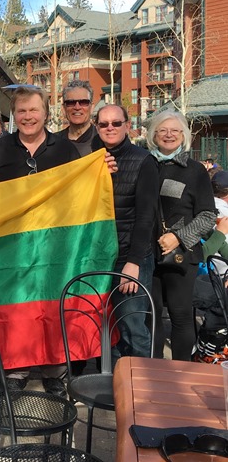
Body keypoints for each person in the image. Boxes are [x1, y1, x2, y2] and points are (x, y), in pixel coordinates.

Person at [0, 85, 78, 397]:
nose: (28, 116)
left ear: (46, 114)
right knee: (17, 309)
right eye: (21, 111)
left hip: (53, 247)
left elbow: (79, 193)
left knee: (51, 305)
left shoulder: (65, 150)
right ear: (14, 116)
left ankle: (53, 370)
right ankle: (17, 368)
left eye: (34, 110)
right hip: (11, 247)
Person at [148, 110, 216, 361]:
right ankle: (153, 371)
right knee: (150, 316)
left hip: (180, 255)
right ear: (153, 134)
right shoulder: (145, 164)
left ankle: (180, 371)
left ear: (184, 135)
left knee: (181, 315)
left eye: (175, 130)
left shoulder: (194, 170)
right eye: (163, 130)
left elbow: (208, 216)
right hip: (147, 253)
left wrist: (178, 237)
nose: (169, 135)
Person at [94, 104, 159, 361]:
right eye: (103, 124)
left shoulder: (143, 160)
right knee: (107, 329)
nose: (110, 128)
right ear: (96, 127)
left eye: (116, 123)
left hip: (130, 257)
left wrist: (133, 263)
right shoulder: (92, 159)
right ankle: (114, 381)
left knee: (133, 327)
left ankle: (144, 382)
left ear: (127, 126)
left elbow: (146, 217)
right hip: (100, 256)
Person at [56, 80, 97, 156]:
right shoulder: (52, 144)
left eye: (83, 102)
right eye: (71, 102)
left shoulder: (104, 141)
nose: (77, 107)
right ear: (63, 109)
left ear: (92, 107)